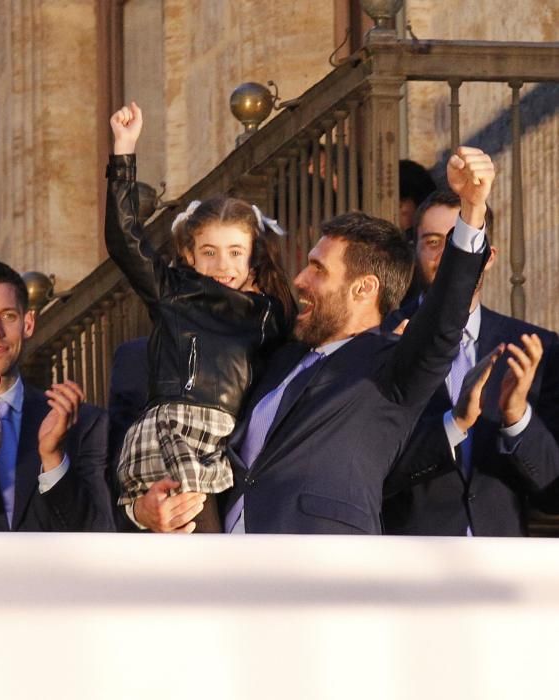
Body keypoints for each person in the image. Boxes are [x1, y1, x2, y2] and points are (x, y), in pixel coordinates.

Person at [134, 146, 495, 534]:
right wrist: (142, 509)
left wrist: (472, 212)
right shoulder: (278, 357)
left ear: (363, 289)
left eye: (318, 270)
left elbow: (442, 321)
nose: (300, 280)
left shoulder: (390, 365)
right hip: (230, 569)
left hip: (321, 569)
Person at [106, 102, 295, 533]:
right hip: (176, 430)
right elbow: (124, 241)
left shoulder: (268, 316)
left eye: (235, 253)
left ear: (252, 259)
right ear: (190, 255)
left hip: (225, 444)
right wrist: (124, 152)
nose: (222, 265)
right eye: (209, 253)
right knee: (199, 540)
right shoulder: (176, 292)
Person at [382, 190, 559, 536]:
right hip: (408, 558)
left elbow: (553, 492)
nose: (449, 254)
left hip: (500, 565)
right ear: (415, 251)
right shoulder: (383, 339)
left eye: (462, 241)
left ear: (489, 256)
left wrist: (517, 417)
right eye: (433, 242)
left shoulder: (539, 348)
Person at [0, 261, 114, 531]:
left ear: (28, 323)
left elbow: (99, 535)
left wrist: (53, 458)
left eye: (8, 316)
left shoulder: (85, 423)